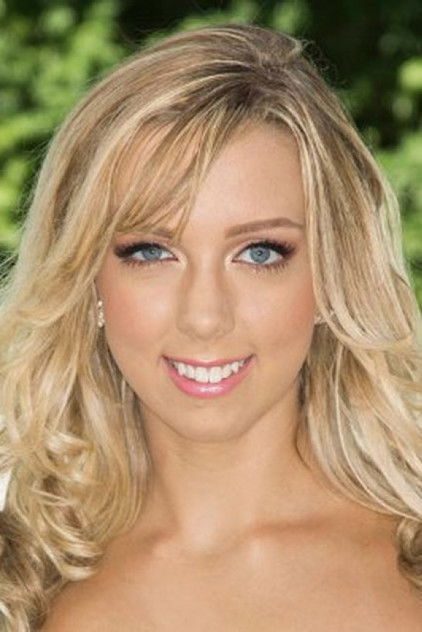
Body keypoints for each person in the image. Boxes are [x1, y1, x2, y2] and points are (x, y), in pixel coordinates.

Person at [0, 22, 421, 632]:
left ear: (331, 274)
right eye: (151, 251)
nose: (204, 317)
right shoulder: (20, 584)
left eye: (259, 252)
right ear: (88, 279)